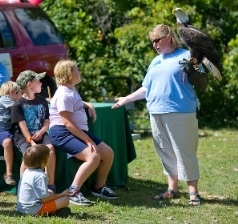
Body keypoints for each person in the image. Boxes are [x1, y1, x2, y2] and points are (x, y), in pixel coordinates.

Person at [112, 24, 208, 206]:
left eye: (157, 40)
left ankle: (193, 192)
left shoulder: (187, 55)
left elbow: (203, 82)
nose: (154, 44)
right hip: (156, 111)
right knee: (165, 151)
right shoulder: (155, 61)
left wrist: (195, 71)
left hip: (181, 111)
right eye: (152, 41)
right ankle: (172, 189)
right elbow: (146, 88)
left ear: (169, 38)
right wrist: (127, 98)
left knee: (185, 152)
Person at [49, 59, 118, 206]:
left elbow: (75, 104)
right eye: (76, 70)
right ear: (68, 74)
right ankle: (73, 192)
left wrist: (88, 104)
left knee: (108, 153)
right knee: (93, 156)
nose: (79, 72)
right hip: (62, 132)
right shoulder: (63, 94)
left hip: (76, 131)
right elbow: (67, 123)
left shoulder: (71, 90)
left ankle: (98, 188)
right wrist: (87, 140)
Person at [11, 70, 56, 193]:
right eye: (38, 81)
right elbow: (22, 126)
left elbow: (47, 121)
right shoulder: (18, 105)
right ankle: (23, 187)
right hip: (23, 137)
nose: (41, 83)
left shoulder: (42, 100)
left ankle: (50, 185)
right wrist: (31, 142)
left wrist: (41, 132)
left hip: (40, 133)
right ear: (29, 84)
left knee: (50, 148)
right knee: (29, 153)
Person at [17, 144, 70, 216]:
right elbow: (45, 199)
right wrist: (62, 194)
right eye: (48, 157)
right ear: (43, 161)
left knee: (50, 191)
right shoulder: (39, 176)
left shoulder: (27, 171)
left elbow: (48, 181)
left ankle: (54, 210)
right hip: (33, 210)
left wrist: (46, 164)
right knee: (65, 200)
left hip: (21, 208)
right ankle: (53, 212)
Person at [0, 81, 22, 185]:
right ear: (12, 92)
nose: (22, 96)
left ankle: (10, 174)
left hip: (7, 130)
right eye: (20, 93)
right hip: (1, 130)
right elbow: (16, 108)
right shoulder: (5, 99)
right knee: (7, 142)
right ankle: (8, 173)